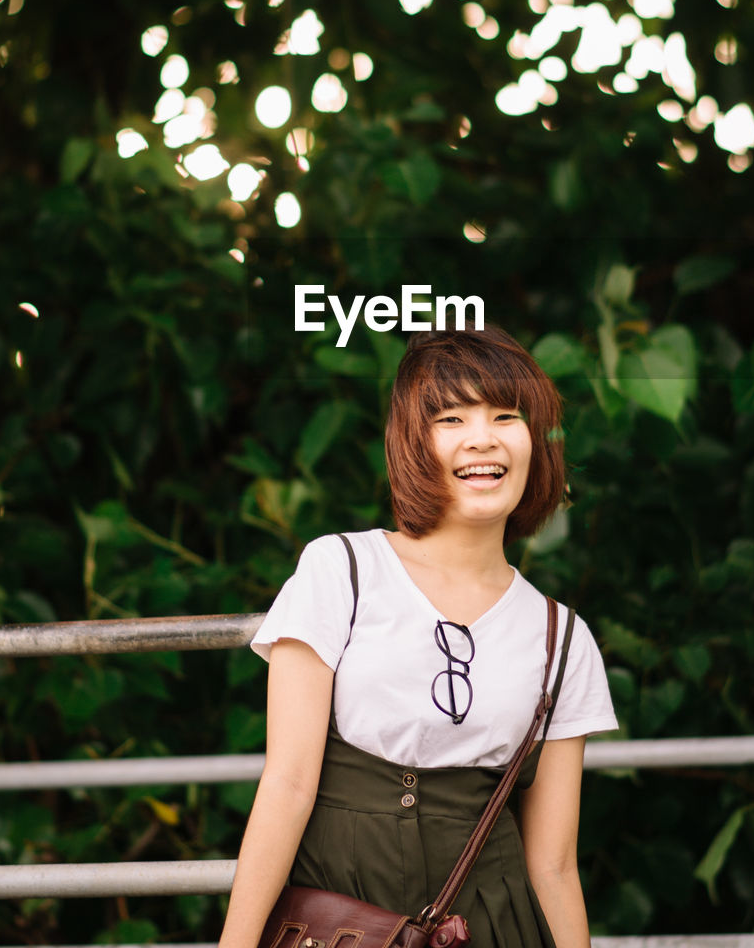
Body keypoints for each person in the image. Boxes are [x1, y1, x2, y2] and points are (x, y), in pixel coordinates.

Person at [218, 325, 617, 948]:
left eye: (506, 416)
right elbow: (288, 785)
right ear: (413, 441)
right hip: (337, 920)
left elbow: (554, 865)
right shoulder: (341, 570)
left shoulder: (561, 637)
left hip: (491, 926)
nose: (482, 439)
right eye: (451, 418)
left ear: (535, 442)